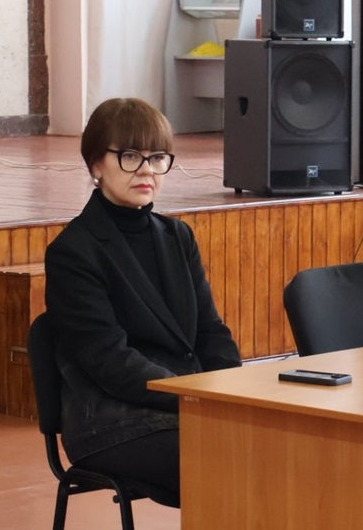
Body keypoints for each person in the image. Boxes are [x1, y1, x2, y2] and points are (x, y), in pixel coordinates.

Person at [44, 97, 242, 507]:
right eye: (130, 156)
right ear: (96, 164)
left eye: (157, 157)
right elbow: (110, 362)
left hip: (187, 403)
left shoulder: (177, 237)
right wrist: (194, 396)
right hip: (113, 419)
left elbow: (211, 332)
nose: (147, 170)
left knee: (289, 447)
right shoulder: (74, 251)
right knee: (237, 461)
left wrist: (235, 391)